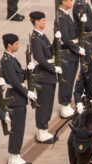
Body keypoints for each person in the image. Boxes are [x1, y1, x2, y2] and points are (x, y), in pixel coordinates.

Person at [0, 34, 34, 164]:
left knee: (20, 129)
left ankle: (16, 154)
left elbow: (17, 75)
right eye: (16, 44)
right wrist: (27, 92)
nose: (18, 46)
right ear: (9, 45)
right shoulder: (7, 60)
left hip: (18, 98)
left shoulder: (11, 59)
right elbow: (14, 81)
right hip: (15, 98)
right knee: (17, 129)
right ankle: (13, 157)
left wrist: (27, 71)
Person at [30, 11, 59, 144]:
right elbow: (40, 59)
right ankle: (41, 131)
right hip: (44, 75)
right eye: (42, 20)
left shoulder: (41, 36)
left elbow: (50, 51)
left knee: (49, 103)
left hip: (49, 75)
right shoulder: (35, 38)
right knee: (43, 103)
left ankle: (45, 129)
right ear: (36, 22)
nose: (44, 22)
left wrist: (56, 39)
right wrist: (53, 68)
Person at [57, 0, 84, 119]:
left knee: (71, 78)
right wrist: (77, 49)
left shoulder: (65, 15)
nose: (72, 1)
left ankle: (67, 102)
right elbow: (66, 39)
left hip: (72, 54)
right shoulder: (61, 17)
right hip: (68, 54)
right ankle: (64, 104)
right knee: (66, 79)